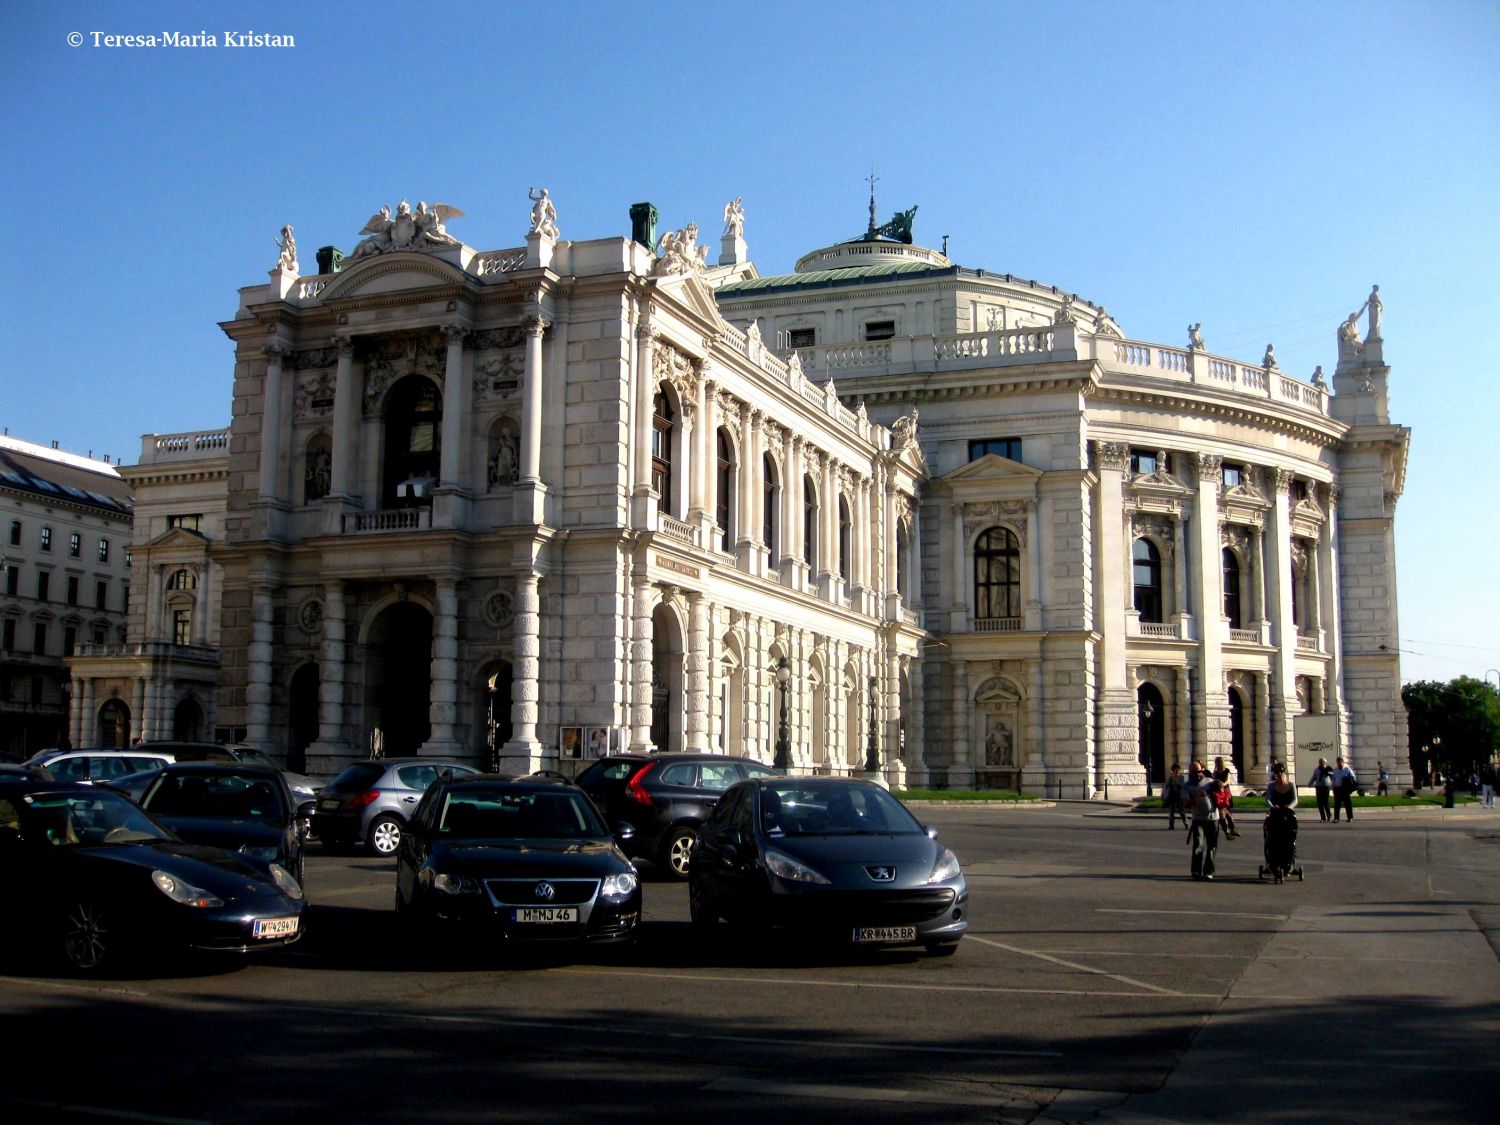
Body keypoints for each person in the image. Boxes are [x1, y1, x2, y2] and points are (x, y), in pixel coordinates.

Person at [1182, 760, 1221, 880]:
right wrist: (1197, 798)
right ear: (1190, 772)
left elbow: (1220, 793)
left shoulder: (1209, 782)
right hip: (1198, 819)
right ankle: (1196, 871)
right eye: (1195, 772)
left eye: (1200, 771)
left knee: (1211, 846)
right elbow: (1186, 803)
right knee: (1198, 844)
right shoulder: (1187, 786)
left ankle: (1209, 871)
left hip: (1213, 818)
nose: (1198, 774)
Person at [1212, 756, 1239, 839]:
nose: (1217, 764)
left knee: (1228, 812)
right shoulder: (1215, 772)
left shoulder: (1226, 770)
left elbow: (1228, 780)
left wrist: (1223, 784)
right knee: (1223, 814)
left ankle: (1232, 829)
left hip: (1225, 791)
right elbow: (1214, 779)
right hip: (1219, 792)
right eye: (1216, 762)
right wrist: (1218, 784)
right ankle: (1228, 832)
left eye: (1219, 762)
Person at [1331, 756, 1358, 822]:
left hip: (1345, 789)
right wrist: (1333, 787)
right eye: (1337, 763)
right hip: (1337, 788)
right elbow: (1333, 779)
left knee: (1347, 804)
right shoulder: (1335, 770)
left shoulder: (1347, 769)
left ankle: (1350, 817)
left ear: (1343, 762)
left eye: (1340, 763)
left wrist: (1348, 782)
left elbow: (1353, 777)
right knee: (1337, 804)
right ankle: (1336, 818)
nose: (1339, 764)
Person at [1308, 757, 1334, 822]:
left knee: (1325, 802)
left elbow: (1333, 777)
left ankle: (1329, 815)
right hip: (1318, 787)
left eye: (1322, 762)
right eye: (1320, 762)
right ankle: (1323, 817)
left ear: (1325, 762)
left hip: (1326, 787)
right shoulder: (1316, 770)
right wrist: (1310, 783)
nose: (1321, 763)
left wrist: (1333, 785)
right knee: (1319, 803)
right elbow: (1314, 777)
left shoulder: (1328, 769)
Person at [1163, 762, 1186, 830]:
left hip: (1179, 795)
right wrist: (1168, 784)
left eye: (1177, 769)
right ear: (1173, 770)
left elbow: (1182, 786)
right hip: (1172, 795)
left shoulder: (1181, 777)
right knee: (1171, 811)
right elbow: (1167, 786)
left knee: (1181, 811)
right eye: (1175, 769)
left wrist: (1176, 782)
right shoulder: (1170, 777)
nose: (1176, 770)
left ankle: (1185, 823)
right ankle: (1171, 825)